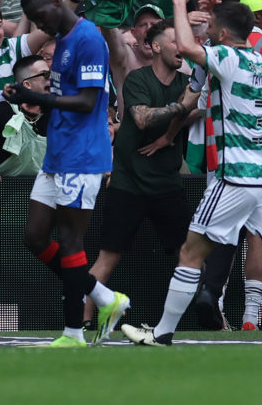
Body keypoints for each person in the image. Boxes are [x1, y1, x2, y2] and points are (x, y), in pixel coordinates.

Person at [121, 0, 262, 346]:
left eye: (210, 28)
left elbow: (189, 47)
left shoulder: (226, 56)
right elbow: (200, 96)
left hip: (235, 174)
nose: (205, 32)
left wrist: (177, 1)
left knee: (191, 251)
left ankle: (161, 333)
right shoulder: (256, 59)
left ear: (221, 32)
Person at [2, 0, 130, 347]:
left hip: (82, 155)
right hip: (59, 152)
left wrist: (32, 96)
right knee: (34, 236)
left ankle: (74, 332)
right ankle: (105, 298)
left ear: (57, 2)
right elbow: (65, 95)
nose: (40, 25)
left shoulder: (88, 39)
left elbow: (89, 101)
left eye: (41, 16)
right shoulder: (62, 41)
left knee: (71, 241)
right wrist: (30, 95)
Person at [84, 20, 196, 328]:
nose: (181, 47)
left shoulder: (187, 82)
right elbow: (143, 118)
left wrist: (171, 133)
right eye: (174, 41)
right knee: (108, 258)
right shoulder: (138, 78)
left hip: (167, 184)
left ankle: (203, 323)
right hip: (128, 183)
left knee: (190, 256)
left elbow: (198, 107)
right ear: (157, 46)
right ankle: (80, 325)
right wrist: (180, 108)